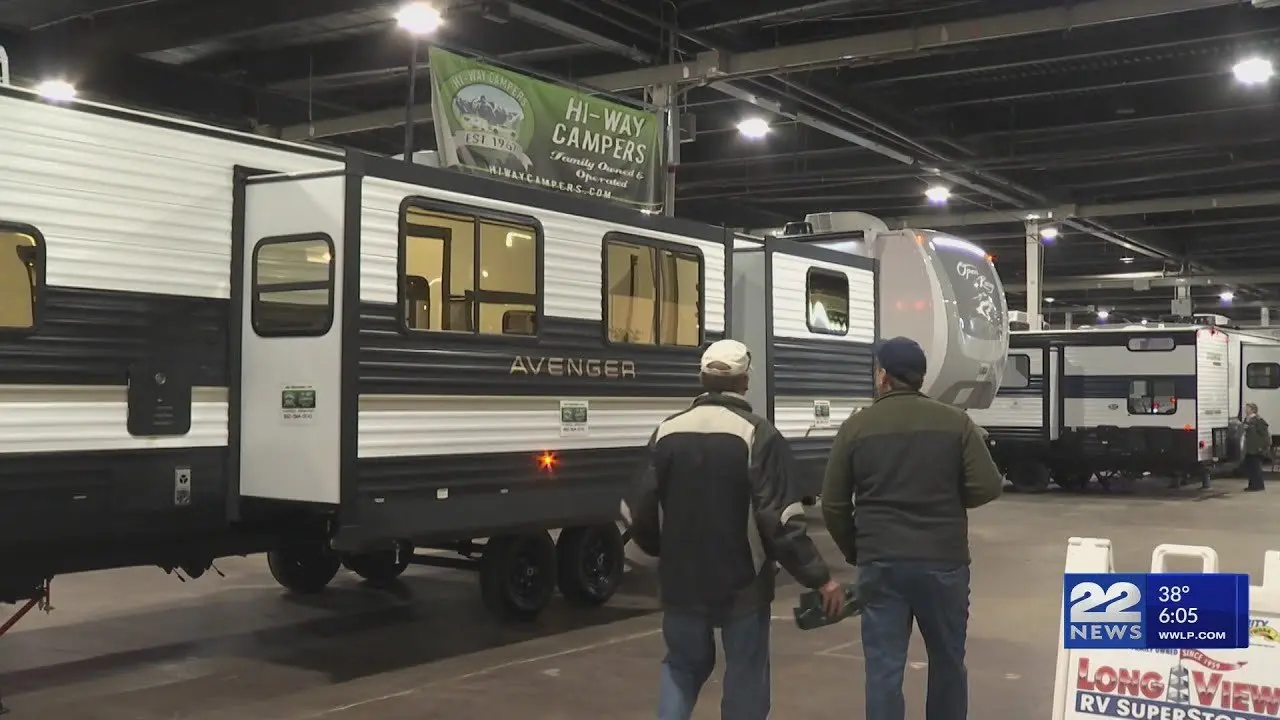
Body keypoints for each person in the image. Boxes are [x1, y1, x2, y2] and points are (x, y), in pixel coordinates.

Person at [625, 338, 844, 720]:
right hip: (742, 581)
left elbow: (642, 511)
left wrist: (665, 556)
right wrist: (820, 579)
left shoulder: (666, 432)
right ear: (745, 382)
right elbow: (780, 520)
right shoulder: (758, 434)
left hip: (681, 582)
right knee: (745, 675)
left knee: (681, 666)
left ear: (701, 378)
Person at [820, 336, 1004, 720]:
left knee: (884, 668)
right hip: (943, 560)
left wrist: (857, 550)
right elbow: (987, 485)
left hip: (881, 562)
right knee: (948, 661)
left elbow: (834, 503)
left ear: (884, 377)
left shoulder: (856, 427)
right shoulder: (955, 422)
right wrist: (950, 501)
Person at [1242, 402, 1271, 492]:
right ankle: (1252, 485)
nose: (1245, 410)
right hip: (1249, 448)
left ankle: (1258, 485)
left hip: (1256, 448)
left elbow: (1265, 436)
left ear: (1253, 410)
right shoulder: (1246, 420)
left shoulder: (1258, 421)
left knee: (1256, 467)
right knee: (1250, 467)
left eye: (1247, 408)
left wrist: (1262, 447)